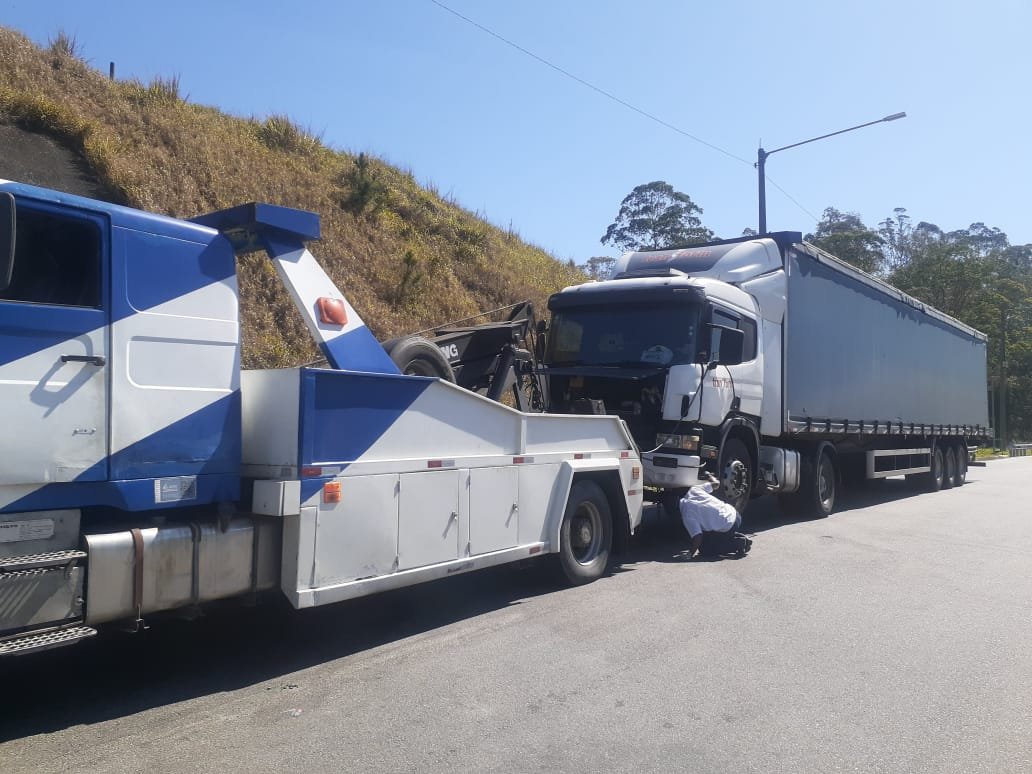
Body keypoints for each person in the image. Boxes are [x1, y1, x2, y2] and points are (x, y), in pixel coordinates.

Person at [679, 472, 752, 558]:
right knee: (708, 534)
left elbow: (697, 537)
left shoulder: (687, 514)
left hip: (729, 526)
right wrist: (710, 476)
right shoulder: (694, 489)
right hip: (734, 513)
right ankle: (734, 537)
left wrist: (690, 554)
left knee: (706, 549)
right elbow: (716, 484)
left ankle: (737, 543)